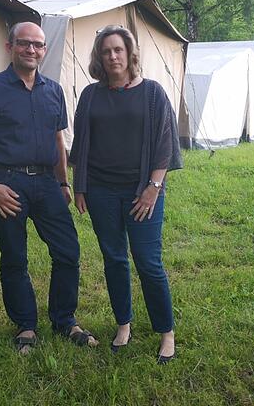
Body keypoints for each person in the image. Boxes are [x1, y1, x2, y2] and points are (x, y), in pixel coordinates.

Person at [0, 22, 98, 355]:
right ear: (9, 47)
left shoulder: (53, 90)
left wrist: (63, 181)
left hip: (47, 182)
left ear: (44, 50)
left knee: (68, 251)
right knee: (14, 256)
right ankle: (26, 325)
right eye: (24, 44)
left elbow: (57, 138)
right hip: (7, 184)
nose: (31, 50)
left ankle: (65, 320)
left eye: (38, 45)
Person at [69, 25, 183, 364]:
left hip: (142, 193)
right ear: (99, 58)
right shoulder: (90, 95)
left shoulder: (152, 93)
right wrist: (80, 185)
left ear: (130, 54)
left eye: (118, 50)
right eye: (106, 52)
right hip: (101, 191)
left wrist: (153, 188)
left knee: (148, 263)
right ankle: (124, 323)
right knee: (114, 259)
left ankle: (166, 332)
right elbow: (82, 143)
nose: (112, 56)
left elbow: (164, 145)